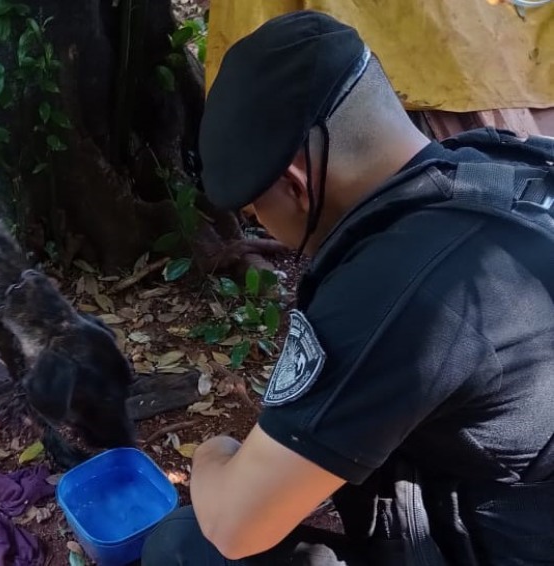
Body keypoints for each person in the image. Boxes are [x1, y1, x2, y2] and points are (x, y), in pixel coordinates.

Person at [140, 10, 554, 566]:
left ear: (295, 185)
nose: (261, 225)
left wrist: (214, 455)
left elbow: (236, 526)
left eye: (256, 211)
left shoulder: (402, 288)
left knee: (185, 546)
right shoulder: (506, 162)